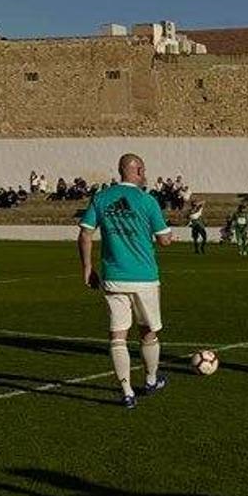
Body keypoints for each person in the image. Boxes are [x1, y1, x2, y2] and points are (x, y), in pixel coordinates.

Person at [77, 153, 173, 408]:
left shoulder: (101, 197)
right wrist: (168, 235)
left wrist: (87, 267)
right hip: (144, 276)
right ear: (138, 170)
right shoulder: (147, 201)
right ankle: (151, 380)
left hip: (114, 276)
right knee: (148, 332)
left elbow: (85, 234)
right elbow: (164, 240)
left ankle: (127, 391)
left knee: (117, 336)